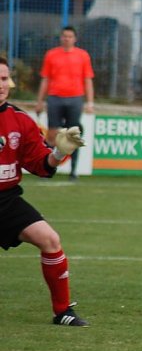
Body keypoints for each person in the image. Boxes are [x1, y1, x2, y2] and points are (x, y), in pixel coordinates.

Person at [0, 56, 89, 326]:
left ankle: (63, 312)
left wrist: (59, 152)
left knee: (50, 240)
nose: (1, 85)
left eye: (4, 79)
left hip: (6, 200)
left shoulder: (20, 120)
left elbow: (41, 166)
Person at [35, 26, 95, 180]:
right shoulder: (51, 55)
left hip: (75, 98)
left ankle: (73, 171)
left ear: (75, 39)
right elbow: (45, 79)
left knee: (72, 135)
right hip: (55, 98)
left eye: (70, 36)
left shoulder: (83, 56)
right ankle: (46, 169)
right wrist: (40, 101)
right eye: (64, 36)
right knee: (52, 135)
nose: (67, 39)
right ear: (61, 38)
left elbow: (87, 79)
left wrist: (90, 102)